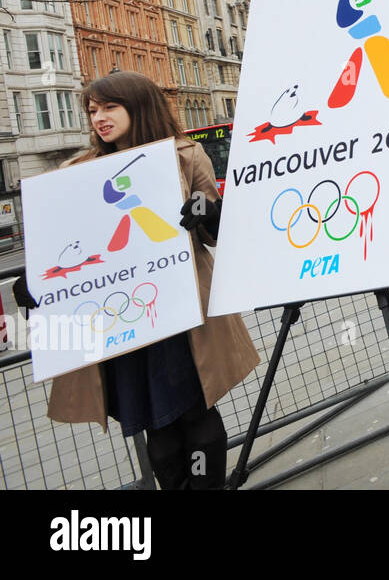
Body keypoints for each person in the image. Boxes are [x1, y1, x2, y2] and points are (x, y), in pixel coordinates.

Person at [14, 71, 260, 489]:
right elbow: (67, 242)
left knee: (195, 414)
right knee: (157, 430)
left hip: (181, 312)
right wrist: (35, 281)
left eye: (110, 107)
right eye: (92, 110)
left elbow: (219, 234)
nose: (99, 118)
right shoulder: (79, 170)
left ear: (139, 106)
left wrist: (207, 209)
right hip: (122, 318)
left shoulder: (184, 155)